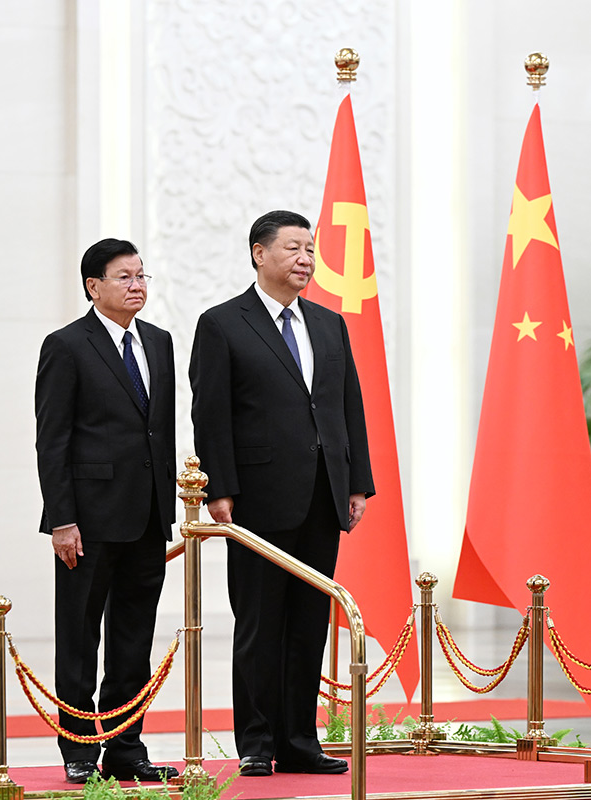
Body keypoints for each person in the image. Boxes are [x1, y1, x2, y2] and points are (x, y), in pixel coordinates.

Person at [189, 210, 374, 777]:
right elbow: (211, 414)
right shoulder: (222, 323)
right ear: (259, 253)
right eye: (293, 247)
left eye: (310, 249)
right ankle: (256, 742)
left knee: (309, 623)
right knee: (259, 623)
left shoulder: (328, 323)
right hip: (256, 499)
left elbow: (348, 406)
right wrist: (219, 488)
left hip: (322, 494)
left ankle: (299, 741)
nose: (305, 259)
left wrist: (357, 482)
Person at [35, 239, 178, 784]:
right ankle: (78, 748)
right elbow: (53, 440)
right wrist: (61, 519)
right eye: (124, 277)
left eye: (142, 275)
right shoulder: (67, 345)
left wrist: (167, 504)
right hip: (88, 521)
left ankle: (125, 749)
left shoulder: (159, 342)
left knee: (133, 639)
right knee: (79, 636)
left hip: (147, 516)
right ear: (93, 286)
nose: (137, 285)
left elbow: (158, 431)